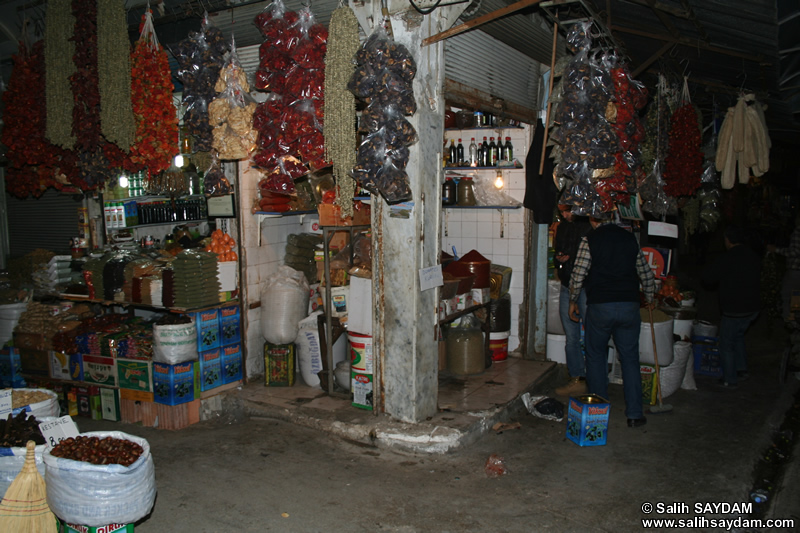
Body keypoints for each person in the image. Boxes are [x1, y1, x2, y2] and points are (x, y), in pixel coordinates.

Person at [569, 214, 655, 428]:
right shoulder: (629, 238)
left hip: (601, 307)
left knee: (596, 356)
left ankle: (599, 412)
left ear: (594, 219)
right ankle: (635, 414)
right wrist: (651, 297)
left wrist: (573, 300)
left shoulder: (590, 239)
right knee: (630, 359)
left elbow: (578, 274)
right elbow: (645, 273)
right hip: (629, 305)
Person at [702, 225, 761, 388]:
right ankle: (742, 369)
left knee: (726, 343)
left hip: (735, 309)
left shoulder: (727, 258)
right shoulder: (753, 256)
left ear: (727, 240)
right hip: (753, 308)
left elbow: (708, 278)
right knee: (738, 335)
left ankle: (730, 378)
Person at [553, 206, 592, 396]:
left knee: (593, 335)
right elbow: (557, 257)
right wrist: (560, 260)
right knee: (571, 336)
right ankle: (577, 378)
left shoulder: (588, 227)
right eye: (562, 212)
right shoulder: (561, 228)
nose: (565, 215)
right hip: (567, 285)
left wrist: (572, 259)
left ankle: (595, 379)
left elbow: (588, 261)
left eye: (568, 211)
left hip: (586, 287)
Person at [766, 215, 800, 321]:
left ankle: (790, 321)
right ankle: (795, 321)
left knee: (785, 296)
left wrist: (776, 250)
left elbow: (795, 252)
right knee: (796, 296)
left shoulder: (798, 232)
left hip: (795, 270)